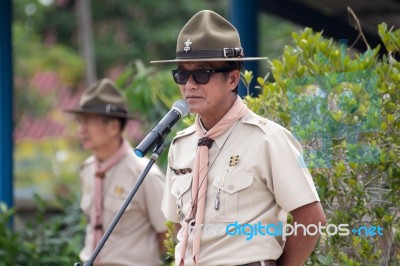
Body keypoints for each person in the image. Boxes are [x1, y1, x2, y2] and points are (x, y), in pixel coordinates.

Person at [151, 10, 326, 266]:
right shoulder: (181, 144)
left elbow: (311, 218)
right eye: (182, 74)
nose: (189, 85)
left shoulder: (267, 139)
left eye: (202, 74)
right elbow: (178, 225)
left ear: (232, 78)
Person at [65, 78, 167, 266]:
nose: (81, 130)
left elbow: (167, 234)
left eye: (88, 122)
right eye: (80, 122)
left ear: (113, 127)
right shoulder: (88, 170)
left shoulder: (143, 174)